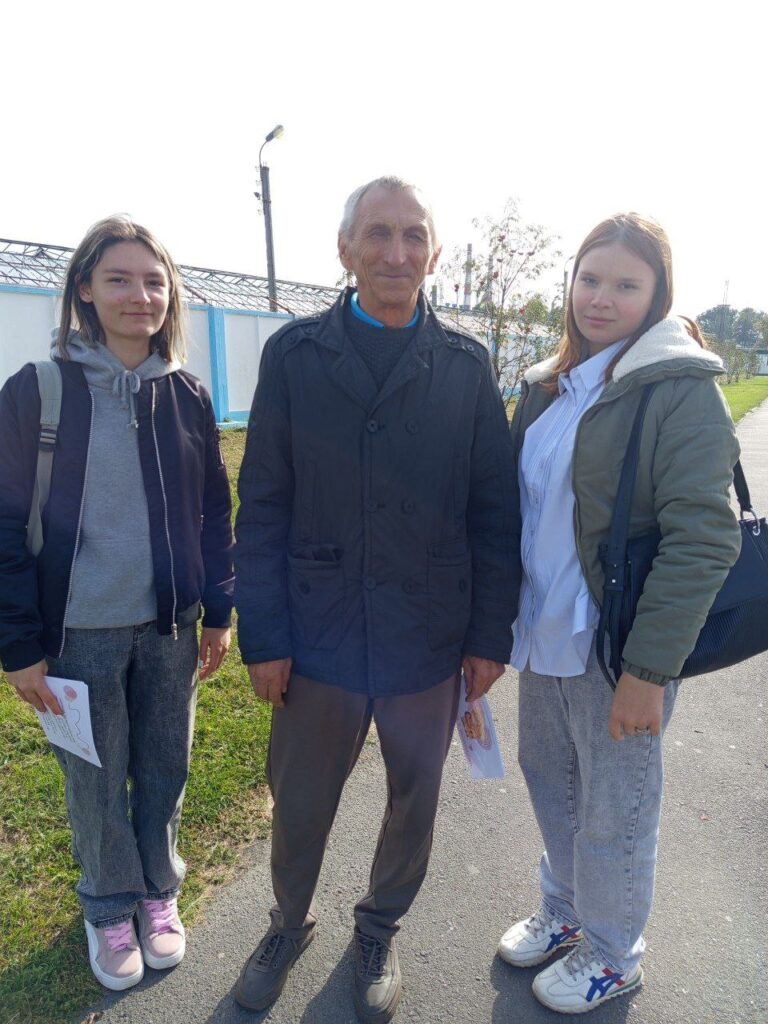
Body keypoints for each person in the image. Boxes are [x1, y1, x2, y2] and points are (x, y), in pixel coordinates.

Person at [234, 176, 516, 1022]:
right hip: (317, 634)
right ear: (345, 248)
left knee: (413, 799)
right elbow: (264, 503)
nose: (397, 252)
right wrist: (264, 637)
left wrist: (488, 637)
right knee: (300, 803)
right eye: (378, 233)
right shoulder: (295, 356)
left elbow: (494, 512)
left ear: (434, 252)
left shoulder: (465, 365)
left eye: (413, 235)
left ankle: (379, 928)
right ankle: (288, 923)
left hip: (425, 636)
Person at [497, 213, 741, 1013]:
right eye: (590, 278)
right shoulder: (549, 384)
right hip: (544, 632)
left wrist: (648, 672)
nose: (601, 298)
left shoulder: (679, 389)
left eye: (626, 285)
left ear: (657, 295)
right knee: (551, 780)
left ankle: (613, 953)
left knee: (616, 808)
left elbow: (704, 537)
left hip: (618, 646)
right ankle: (567, 910)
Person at [0, 216, 234, 991]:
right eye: (120, 280)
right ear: (84, 292)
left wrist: (219, 612)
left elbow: (213, 512)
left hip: (170, 630)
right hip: (77, 635)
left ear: (172, 296)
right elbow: (4, 523)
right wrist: (19, 646)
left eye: (155, 281)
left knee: (166, 765)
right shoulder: (37, 390)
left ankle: (158, 893)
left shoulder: (187, 395)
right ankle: (107, 905)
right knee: (95, 780)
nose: (141, 296)